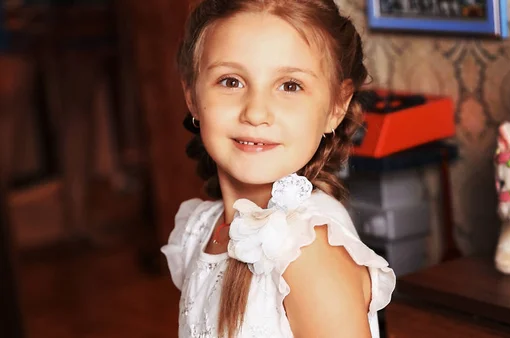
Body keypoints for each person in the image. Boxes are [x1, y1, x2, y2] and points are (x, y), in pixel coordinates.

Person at [161, 1, 396, 337]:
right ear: (192, 95)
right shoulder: (201, 228)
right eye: (231, 81)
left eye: (290, 85)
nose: (256, 113)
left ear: (336, 106)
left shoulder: (309, 253)